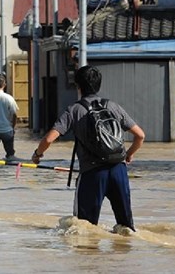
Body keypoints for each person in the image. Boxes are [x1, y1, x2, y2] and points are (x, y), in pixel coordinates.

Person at [31, 65, 145, 232]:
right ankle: (124, 257)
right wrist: (128, 154)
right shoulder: (113, 106)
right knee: (126, 229)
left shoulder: (74, 110)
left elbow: (49, 139)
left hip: (92, 174)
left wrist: (37, 154)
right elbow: (140, 136)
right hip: (118, 170)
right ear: (99, 85)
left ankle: (89, 258)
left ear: (78, 86)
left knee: (83, 230)